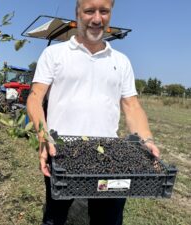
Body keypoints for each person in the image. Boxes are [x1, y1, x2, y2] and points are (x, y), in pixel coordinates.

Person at [26, 0, 160, 224]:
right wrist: (43, 136)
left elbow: (132, 106)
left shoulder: (121, 61)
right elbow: (35, 97)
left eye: (104, 11)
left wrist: (146, 139)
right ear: (77, 13)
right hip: (62, 152)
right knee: (55, 217)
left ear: (110, 13)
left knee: (108, 219)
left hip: (109, 157)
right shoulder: (55, 54)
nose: (97, 18)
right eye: (89, 11)